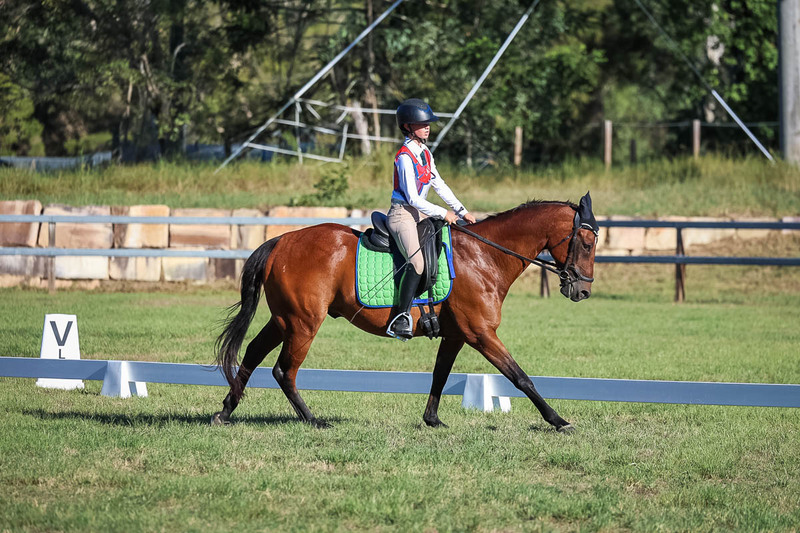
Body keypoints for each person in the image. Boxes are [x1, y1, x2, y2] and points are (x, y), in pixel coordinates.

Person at [386, 98, 477, 341]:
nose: (427, 127)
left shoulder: (425, 153)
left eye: (428, 123)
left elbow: (439, 184)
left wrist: (461, 210)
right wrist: (443, 213)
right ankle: (401, 317)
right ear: (407, 127)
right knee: (416, 263)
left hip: (422, 214)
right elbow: (413, 199)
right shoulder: (404, 157)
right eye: (421, 123)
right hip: (402, 214)